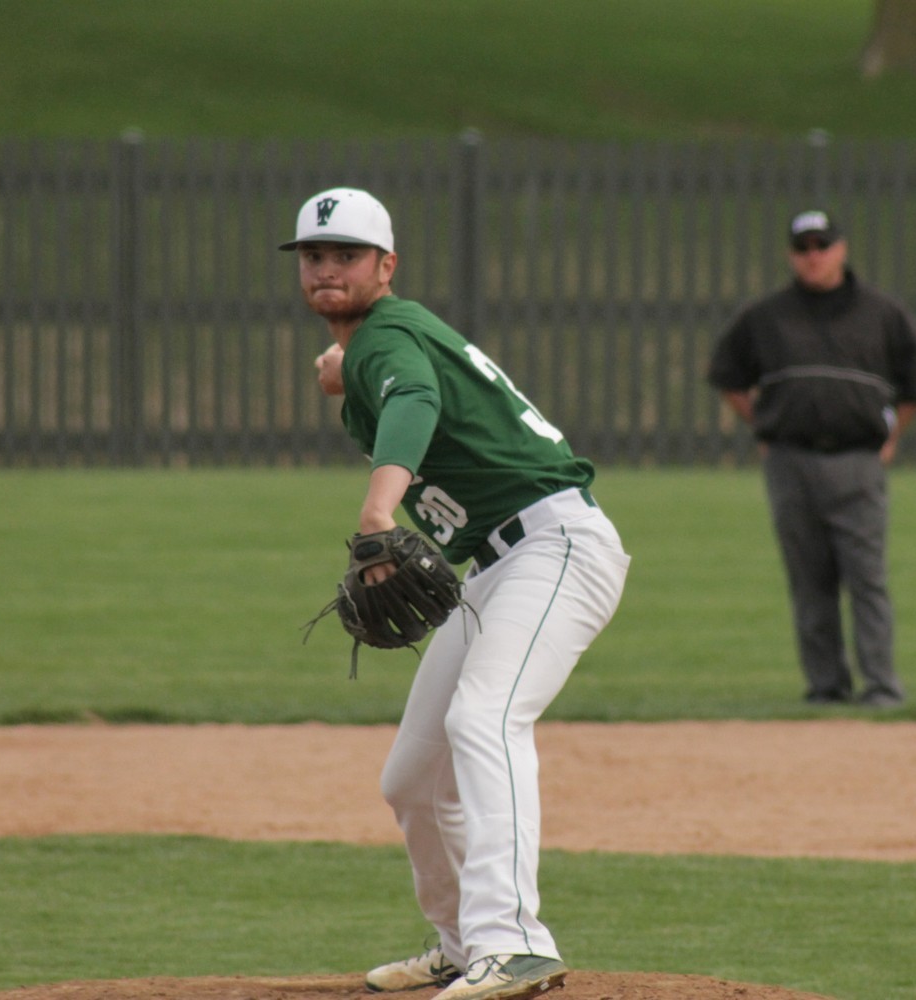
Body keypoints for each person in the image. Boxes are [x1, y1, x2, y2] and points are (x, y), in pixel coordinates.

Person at [282, 187, 630, 1000]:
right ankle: (465, 939)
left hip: (557, 546)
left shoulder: (387, 336)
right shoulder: (377, 343)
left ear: (386, 266)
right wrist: (344, 369)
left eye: (347, 255)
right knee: (410, 777)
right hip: (502, 567)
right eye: (313, 255)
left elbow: (415, 396)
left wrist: (376, 509)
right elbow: (392, 379)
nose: (328, 268)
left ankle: (515, 943)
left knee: (484, 717)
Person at [706, 209, 916, 708]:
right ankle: (826, 688)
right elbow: (727, 375)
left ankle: (881, 686)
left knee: (867, 579)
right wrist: (762, 425)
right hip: (790, 461)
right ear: (791, 255)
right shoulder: (766, 316)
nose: (813, 256)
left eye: (822, 245)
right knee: (809, 581)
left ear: (842, 249)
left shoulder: (880, 312)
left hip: (857, 460)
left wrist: (893, 433)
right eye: (803, 247)